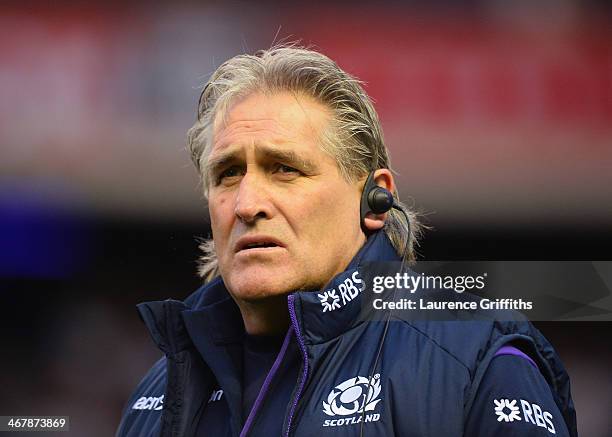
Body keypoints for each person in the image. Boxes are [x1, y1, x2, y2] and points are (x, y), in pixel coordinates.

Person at [116, 46, 577, 436]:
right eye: (228, 173)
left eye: (285, 169)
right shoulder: (156, 395)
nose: (246, 203)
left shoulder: (476, 366)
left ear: (375, 201)